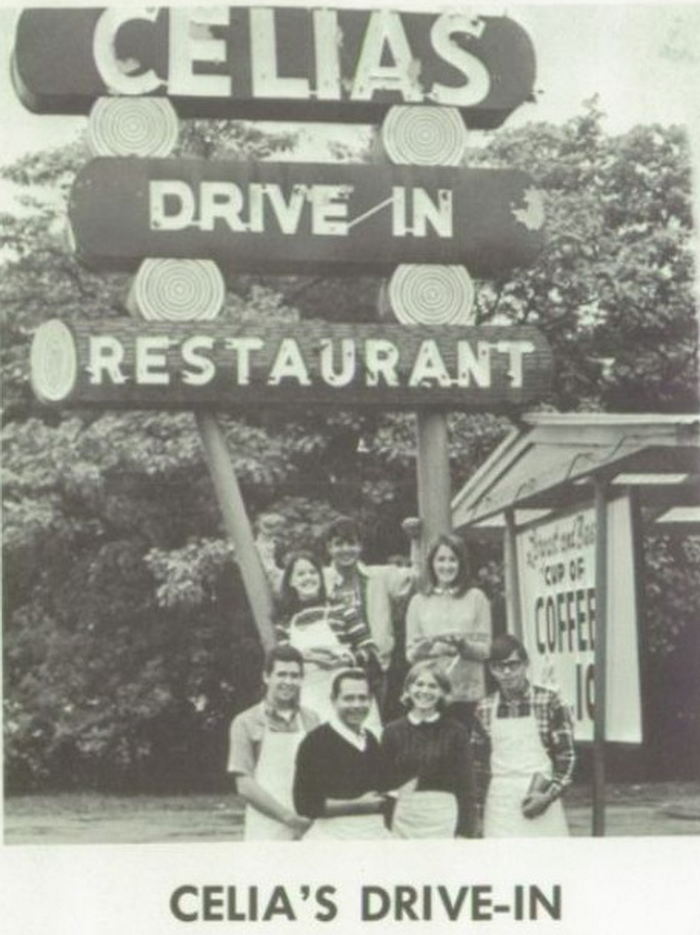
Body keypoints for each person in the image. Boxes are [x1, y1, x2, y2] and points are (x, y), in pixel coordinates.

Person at [471, 634, 576, 838]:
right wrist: (476, 812)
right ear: (492, 670)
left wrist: (548, 795)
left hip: (541, 798)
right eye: (499, 666)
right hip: (500, 802)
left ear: (525, 664)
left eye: (513, 664)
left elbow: (567, 756)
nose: (507, 672)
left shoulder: (549, 702)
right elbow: (477, 765)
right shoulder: (484, 708)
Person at [275, 551, 381, 729]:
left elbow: (369, 649)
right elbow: (284, 662)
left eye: (312, 572)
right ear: (291, 581)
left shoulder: (342, 610)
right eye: (301, 574)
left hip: (349, 691)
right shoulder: (284, 622)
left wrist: (345, 660)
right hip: (309, 696)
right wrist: (305, 657)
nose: (308, 577)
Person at [322, 516, 418, 713]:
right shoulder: (320, 578)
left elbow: (416, 576)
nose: (345, 549)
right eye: (338, 544)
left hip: (373, 666)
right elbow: (283, 581)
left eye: (351, 543)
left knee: (371, 724)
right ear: (329, 548)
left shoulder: (379, 576)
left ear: (360, 546)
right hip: (330, 666)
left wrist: (416, 539)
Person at [227, 644, 319, 841]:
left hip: (309, 826)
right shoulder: (246, 722)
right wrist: (289, 818)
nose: (288, 681)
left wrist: (310, 816)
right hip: (266, 827)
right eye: (282, 674)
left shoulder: (312, 719)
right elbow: (244, 785)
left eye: (294, 676)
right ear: (266, 677)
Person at [405, 534, 492, 731]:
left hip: (467, 694)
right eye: (441, 559)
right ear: (432, 564)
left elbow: (485, 651)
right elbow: (410, 654)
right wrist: (428, 647)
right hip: (429, 694)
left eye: (453, 559)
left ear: (461, 563)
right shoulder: (418, 601)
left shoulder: (476, 597)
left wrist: (463, 645)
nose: (447, 566)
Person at [381, 661, 476, 839]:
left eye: (433, 686)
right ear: (408, 689)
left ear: (442, 692)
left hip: (444, 819)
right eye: (419, 684)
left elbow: (467, 786)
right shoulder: (392, 731)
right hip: (404, 820)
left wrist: (464, 831)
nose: (424, 691)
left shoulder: (456, 731)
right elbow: (385, 784)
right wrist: (385, 825)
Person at [293, 668, 390, 839]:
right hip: (333, 836)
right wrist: (357, 805)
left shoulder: (371, 739)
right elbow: (304, 805)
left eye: (363, 698)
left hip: (373, 833)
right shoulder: (316, 742)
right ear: (333, 700)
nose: (357, 705)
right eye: (348, 698)